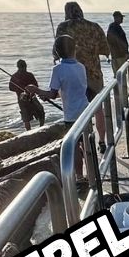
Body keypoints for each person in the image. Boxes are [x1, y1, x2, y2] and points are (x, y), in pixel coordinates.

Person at [29, 35, 90, 181]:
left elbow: (52, 93)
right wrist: (51, 95)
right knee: (87, 145)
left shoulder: (58, 69)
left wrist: (35, 90)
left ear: (56, 52)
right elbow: (69, 90)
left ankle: (80, 176)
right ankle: (92, 174)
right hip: (86, 110)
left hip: (71, 115)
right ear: (75, 49)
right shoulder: (81, 67)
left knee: (75, 147)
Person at [55, 1, 109, 151]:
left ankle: (85, 148)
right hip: (94, 75)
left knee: (78, 114)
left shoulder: (63, 27)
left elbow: (57, 51)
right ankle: (102, 141)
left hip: (73, 77)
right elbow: (106, 50)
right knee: (98, 109)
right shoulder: (94, 27)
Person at [7, 59, 46, 131]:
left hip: (32, 97)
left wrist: (30, 92)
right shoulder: (14, 77)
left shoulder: (29, 75)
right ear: (19, 67)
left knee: (41, 112)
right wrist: (19, 88)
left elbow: (36, 86)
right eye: (22, 67)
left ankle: (41, 128)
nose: (23, 69)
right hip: (22, 99)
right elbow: (11, 88)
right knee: (26, 118)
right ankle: (29, 132)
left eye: (24, 67)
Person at [107, 10, 129, 75]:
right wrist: (125, 53)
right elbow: (118, 41)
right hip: (119, 55)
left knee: (118, 75)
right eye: (121, 17)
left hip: (115, 55)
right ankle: (123, 85)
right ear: (116, 18)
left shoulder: (112, 27)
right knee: (122, 74)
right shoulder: (116, 27)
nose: (122, 19)